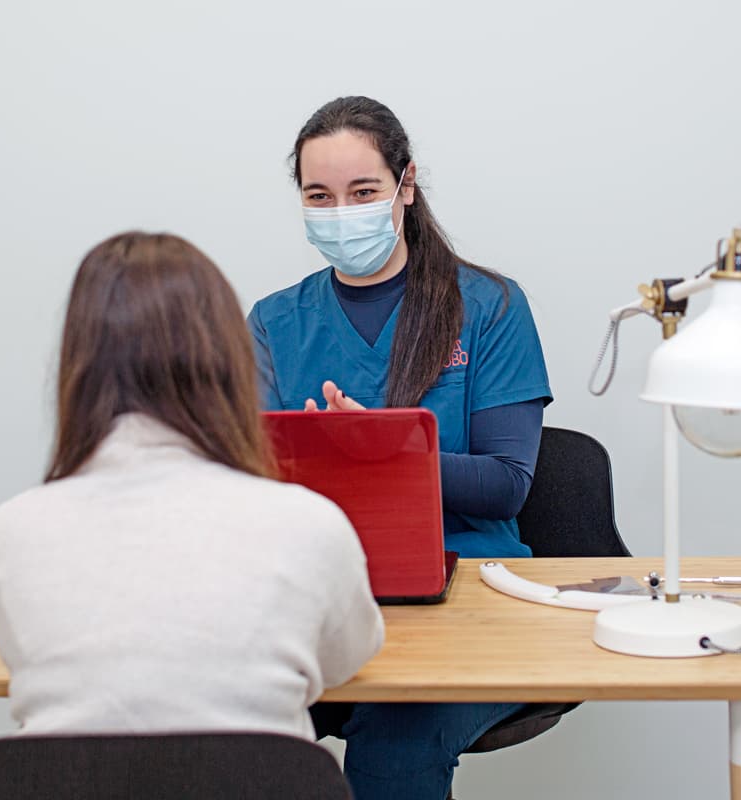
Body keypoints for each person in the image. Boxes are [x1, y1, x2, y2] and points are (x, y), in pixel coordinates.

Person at [248, 97, 553, 800]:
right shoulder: (273, 323)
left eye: (363, 192)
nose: (340, 212)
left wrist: (380, 455)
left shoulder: (490, 307)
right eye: (319, 196)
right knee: (215, 719)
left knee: (395, 739)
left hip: (467, 594)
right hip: (320, 594)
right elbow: (256, 481)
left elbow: (509, 485)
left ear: (405, 186)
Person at [0, 231, 383, 740]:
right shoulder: (309, 525)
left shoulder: (10, 533)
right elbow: (346, 660)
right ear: (228, 361)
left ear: (77, 366)